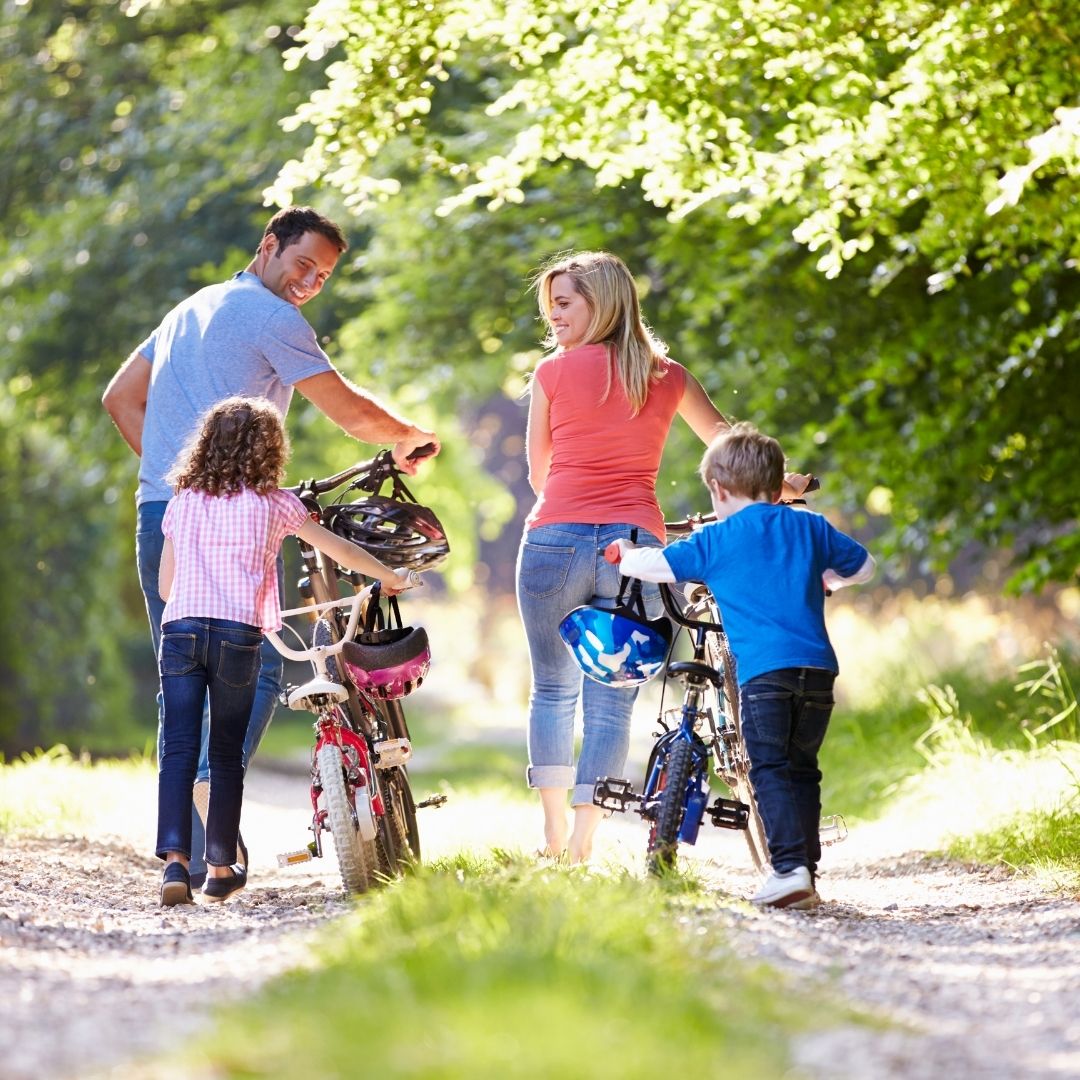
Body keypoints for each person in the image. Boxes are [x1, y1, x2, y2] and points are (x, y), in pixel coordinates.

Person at [103, 206, 439, 887]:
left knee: (182, 673)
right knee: (250, 665)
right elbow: (347, 411)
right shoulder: (271, 317)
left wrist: (189, 481)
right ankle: (208, 795)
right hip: (236, 521)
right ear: (268, 246)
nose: (309, 283)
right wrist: (407, 435)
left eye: (322, 277)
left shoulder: (190, 307)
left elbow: (119, 399)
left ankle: (195, 855)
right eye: (303, 265)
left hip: (163, 512)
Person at [156, 397, 422, 905]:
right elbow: (338, 550)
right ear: (269, 450)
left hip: (182, 631)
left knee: (179, 749)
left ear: (205, 446)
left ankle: (174, 866)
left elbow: (168, 586)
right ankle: (219, 865)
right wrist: (390, 577)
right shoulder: (276, 503)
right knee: (226, 752)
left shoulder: (183, 500)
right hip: (237, 635)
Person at [517, 250, 732, 864]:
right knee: (613, 693)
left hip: (553, 537)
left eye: (564, 304)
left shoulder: (552, 374)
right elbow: (726, 444)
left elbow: (539, 473)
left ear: (602, 302)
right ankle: (584, 838)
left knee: (553, 689)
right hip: (634, 548)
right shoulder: (668, 377)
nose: (553, 317)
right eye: (550, 305)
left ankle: (553, 836)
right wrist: (782, 480)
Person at [607, 422, 875, 908]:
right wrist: (826, 581)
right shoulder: (809, 526)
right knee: (802, 768)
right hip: (817, 672)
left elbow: (658, 566)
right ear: (778, 488)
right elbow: (864, 566)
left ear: (717, 488)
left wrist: (625, 555)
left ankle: (789, 869)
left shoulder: (720, 539)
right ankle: (804, 869)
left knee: (769, 767)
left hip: (764, 676)